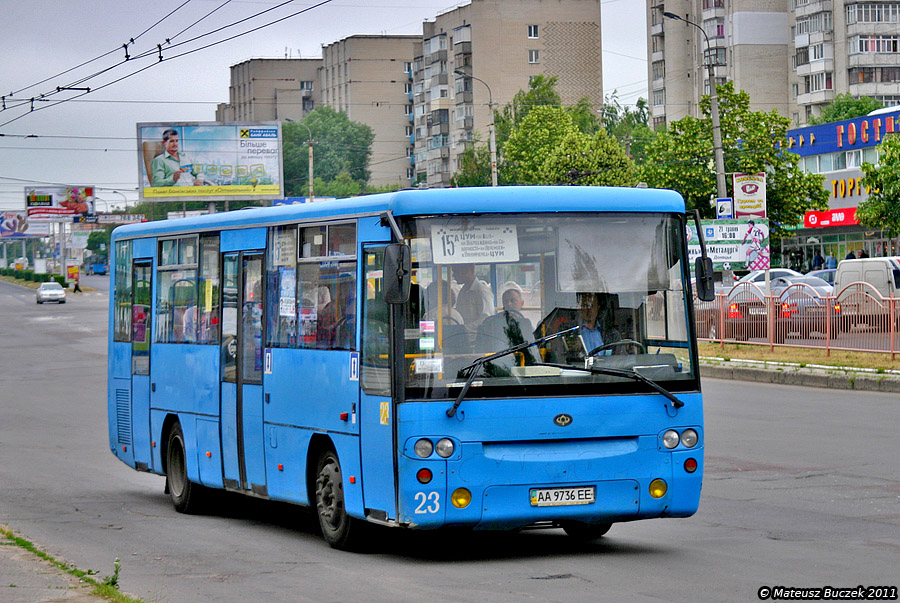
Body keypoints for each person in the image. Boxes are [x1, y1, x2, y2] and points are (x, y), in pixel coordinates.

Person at [475, 287, 535, 353]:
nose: (509, 304)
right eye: (506, 301)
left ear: (522, 303)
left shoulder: (526, 325)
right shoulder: (490, 324)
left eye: (513, 300)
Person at [452, 264, 493, 329]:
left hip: (477, 337)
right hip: (462, 335)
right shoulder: (462, 291)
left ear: (467, 271)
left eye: (455, 272)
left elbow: (486, 319)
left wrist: (465, 328)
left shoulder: (482, 292)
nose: (453, 275)